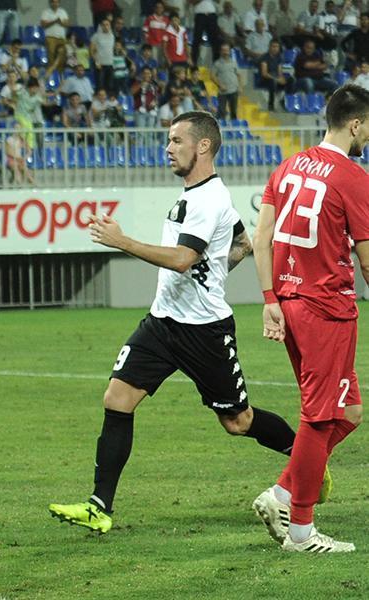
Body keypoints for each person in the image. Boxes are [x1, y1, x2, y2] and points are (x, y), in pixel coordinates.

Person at [49, 111, 314, 534]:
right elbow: (242, 241)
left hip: (203, 331)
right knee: (117, 399)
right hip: (162, 322)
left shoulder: (208, 199)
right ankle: (99, 507)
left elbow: (182, 259)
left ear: (202, 145)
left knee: (238, 422)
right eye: (168, 140)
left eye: (176, 140)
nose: (167, 148)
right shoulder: (195, 195)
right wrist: (217, 270)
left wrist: (123, 241)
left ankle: (307, 463)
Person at [251, 84, 369, 553]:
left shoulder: (287, 167)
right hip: (327, 309)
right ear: (355, 124)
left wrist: (269, 298)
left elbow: (262, 238)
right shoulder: (354, 177)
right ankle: (301, 531)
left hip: (291, 304)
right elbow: (367, 260)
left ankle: (282, 493)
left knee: (350, 412)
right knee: (320, 417)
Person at [257, 39, 294, 110]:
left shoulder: (279, 57)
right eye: (273, 46)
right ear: (269, 47)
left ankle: (284, 100)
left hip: (275, 78)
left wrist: (281, 78)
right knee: (272, 82)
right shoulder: (264, 57)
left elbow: (279, 71)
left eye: (277, 47)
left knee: (291, 80)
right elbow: (264, 73)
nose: (275, 48)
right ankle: (271, 105)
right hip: (265, 79)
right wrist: (277, 79)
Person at [41, 0, 70, 80]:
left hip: (61, 38)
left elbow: (67, 24)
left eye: (57, 2)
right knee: (51, 57)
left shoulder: (62, 12)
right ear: (51, 3)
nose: (55, 3)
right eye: (53, 2)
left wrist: (60, 22)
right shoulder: (46, 12)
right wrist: (54, 21)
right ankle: (50, 77)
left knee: (62, 57)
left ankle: (61, 77)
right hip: (50, 38)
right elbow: (43, 24)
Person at [211, 42, 240, 120]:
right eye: (223, 50)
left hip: (234, 91)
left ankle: (234, 126)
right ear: (220, 52)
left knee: (234, 112)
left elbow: (238, 75)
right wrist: (220, 85)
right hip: (222, 92)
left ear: (229, 51)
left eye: (227, 50)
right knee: (222, 112)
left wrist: (240, 87)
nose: (225, 52)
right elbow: (212, 76)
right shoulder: (217, 64)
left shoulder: (234, 62)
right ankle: (221, 126)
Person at [90, 17, 116, 93]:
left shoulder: (112, 36)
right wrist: (96, 62)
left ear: (110, 26)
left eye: (107, 24)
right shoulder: (96, 36)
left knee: (110, 86)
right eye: (104, 25)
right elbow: (91, 51)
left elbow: (112, 50)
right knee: (100, 86)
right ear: (101, 26)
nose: (105, 26)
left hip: (110, 64)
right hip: (100, 65)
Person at [191, 0, 220, 65]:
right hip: (200, 15)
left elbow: (218, 1)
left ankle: (216, 63)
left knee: (215, 40)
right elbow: (192, 2)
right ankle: (193, 62)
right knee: (197, 39)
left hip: (212, 15)